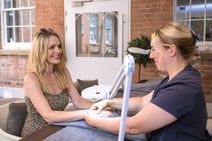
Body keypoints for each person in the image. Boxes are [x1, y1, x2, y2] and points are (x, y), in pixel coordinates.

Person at [85, 22, 210, 141]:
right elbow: (142, 102)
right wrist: (110, 102)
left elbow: (133, 126)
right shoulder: (178, 77)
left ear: (172, 50)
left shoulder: (183, 88)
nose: (151, 55)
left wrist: (93, 120)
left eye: (154, 49)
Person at [21, 28, 93, 137]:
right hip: (37, 133)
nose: (58, 51)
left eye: (59, 46)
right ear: (40, 51)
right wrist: (86, 113)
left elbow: (78, 101)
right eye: (52, 47)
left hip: (58, 127)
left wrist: (103, 106)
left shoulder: (62, 72)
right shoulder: (31, 78)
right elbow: (48, 116)